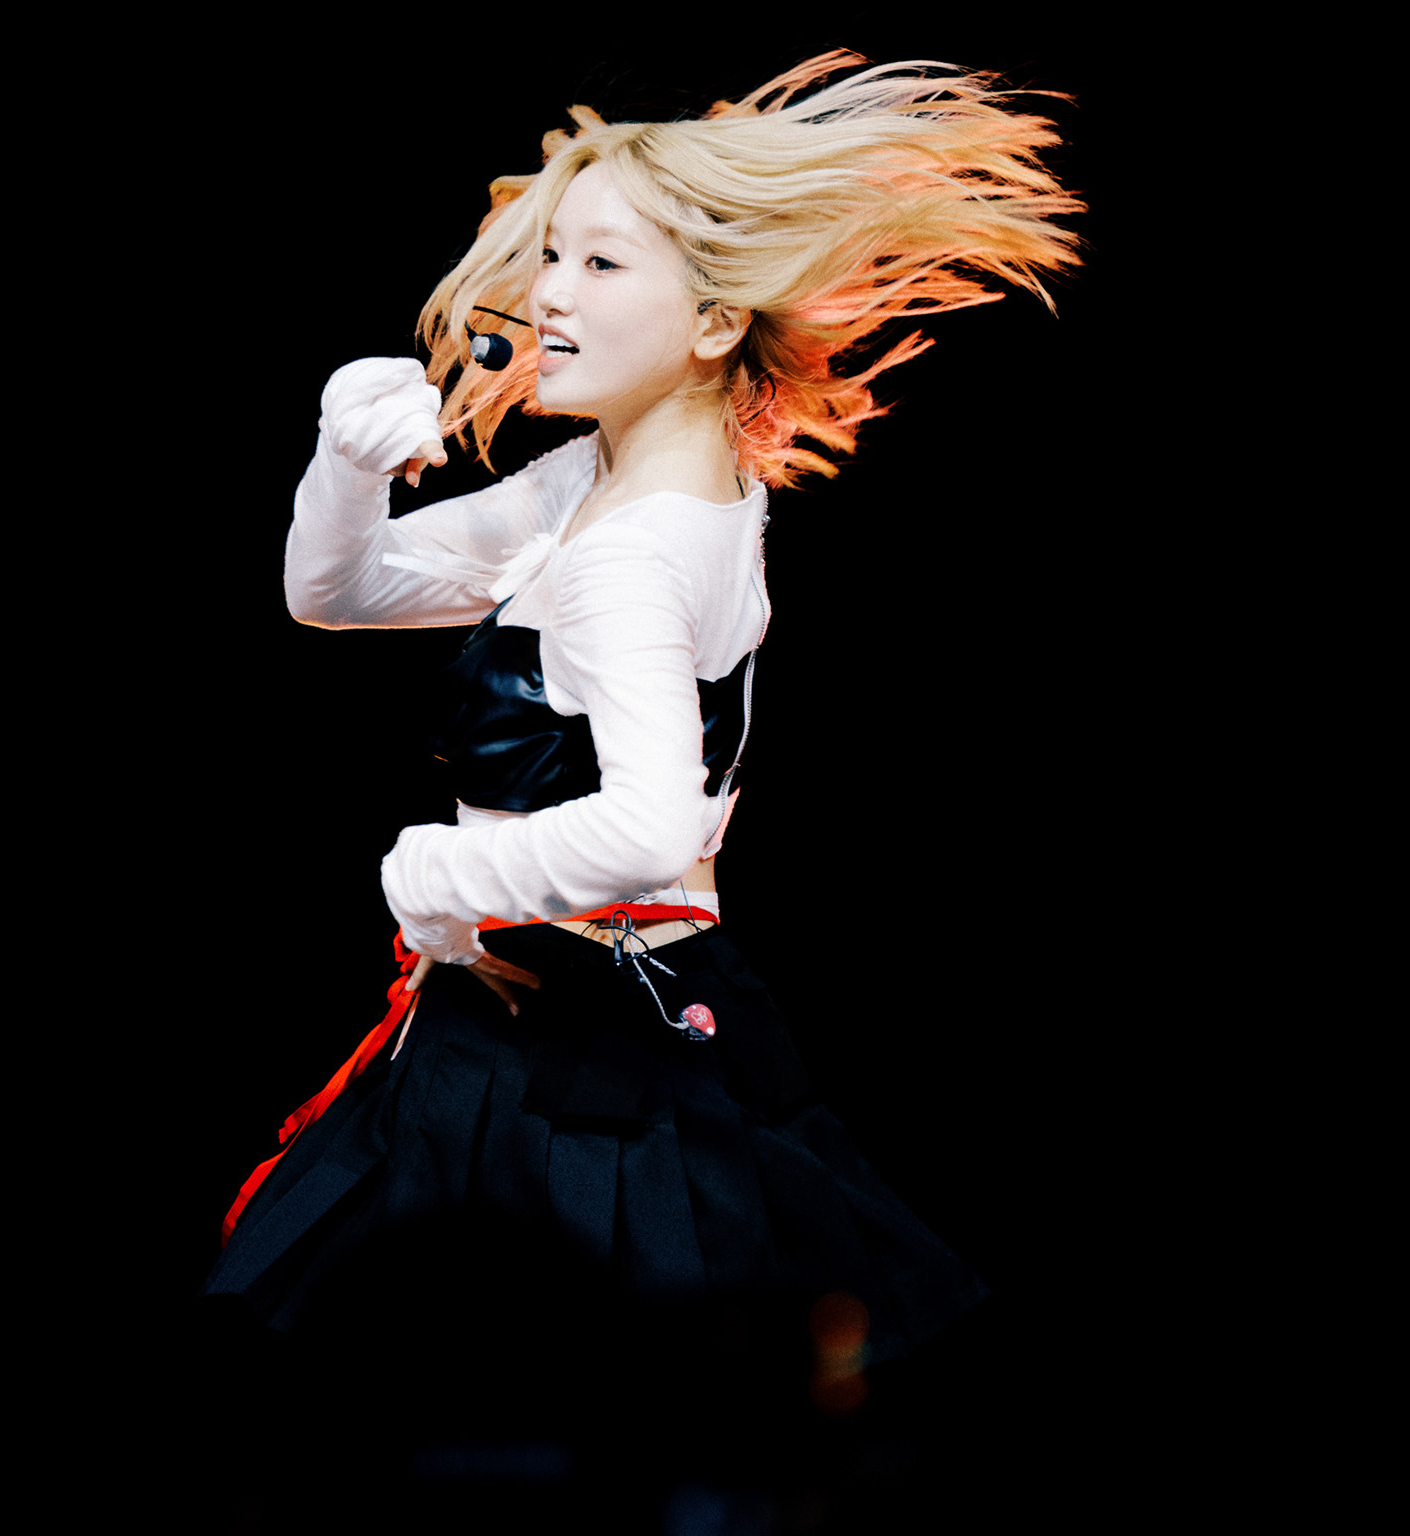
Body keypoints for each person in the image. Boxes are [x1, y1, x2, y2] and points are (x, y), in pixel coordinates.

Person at [203, 51, 1080, 1368]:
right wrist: (346, 464)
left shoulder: (625, 551)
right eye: (553, 255)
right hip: (573, 1005)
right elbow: (341, 592)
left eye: (602, 264)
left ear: (716, 323)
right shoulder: (603, 485)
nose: (549, 293)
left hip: (571, 1036)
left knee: (505, 1382)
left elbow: (650, 824)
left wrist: (434, 871)